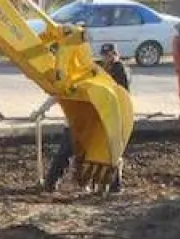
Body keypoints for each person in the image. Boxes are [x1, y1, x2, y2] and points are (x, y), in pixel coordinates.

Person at [33, 43, 131, 193]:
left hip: (102, 119)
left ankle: (110, 186)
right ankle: (57, 184)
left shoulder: (118, 71)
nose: (107, 58)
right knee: (70, 152)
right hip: (82, 118)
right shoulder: (88, 70)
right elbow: (60, 92)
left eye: (109, 55)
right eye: (104, 55)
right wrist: (42, 109)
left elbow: (118, 95)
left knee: (106, 153)